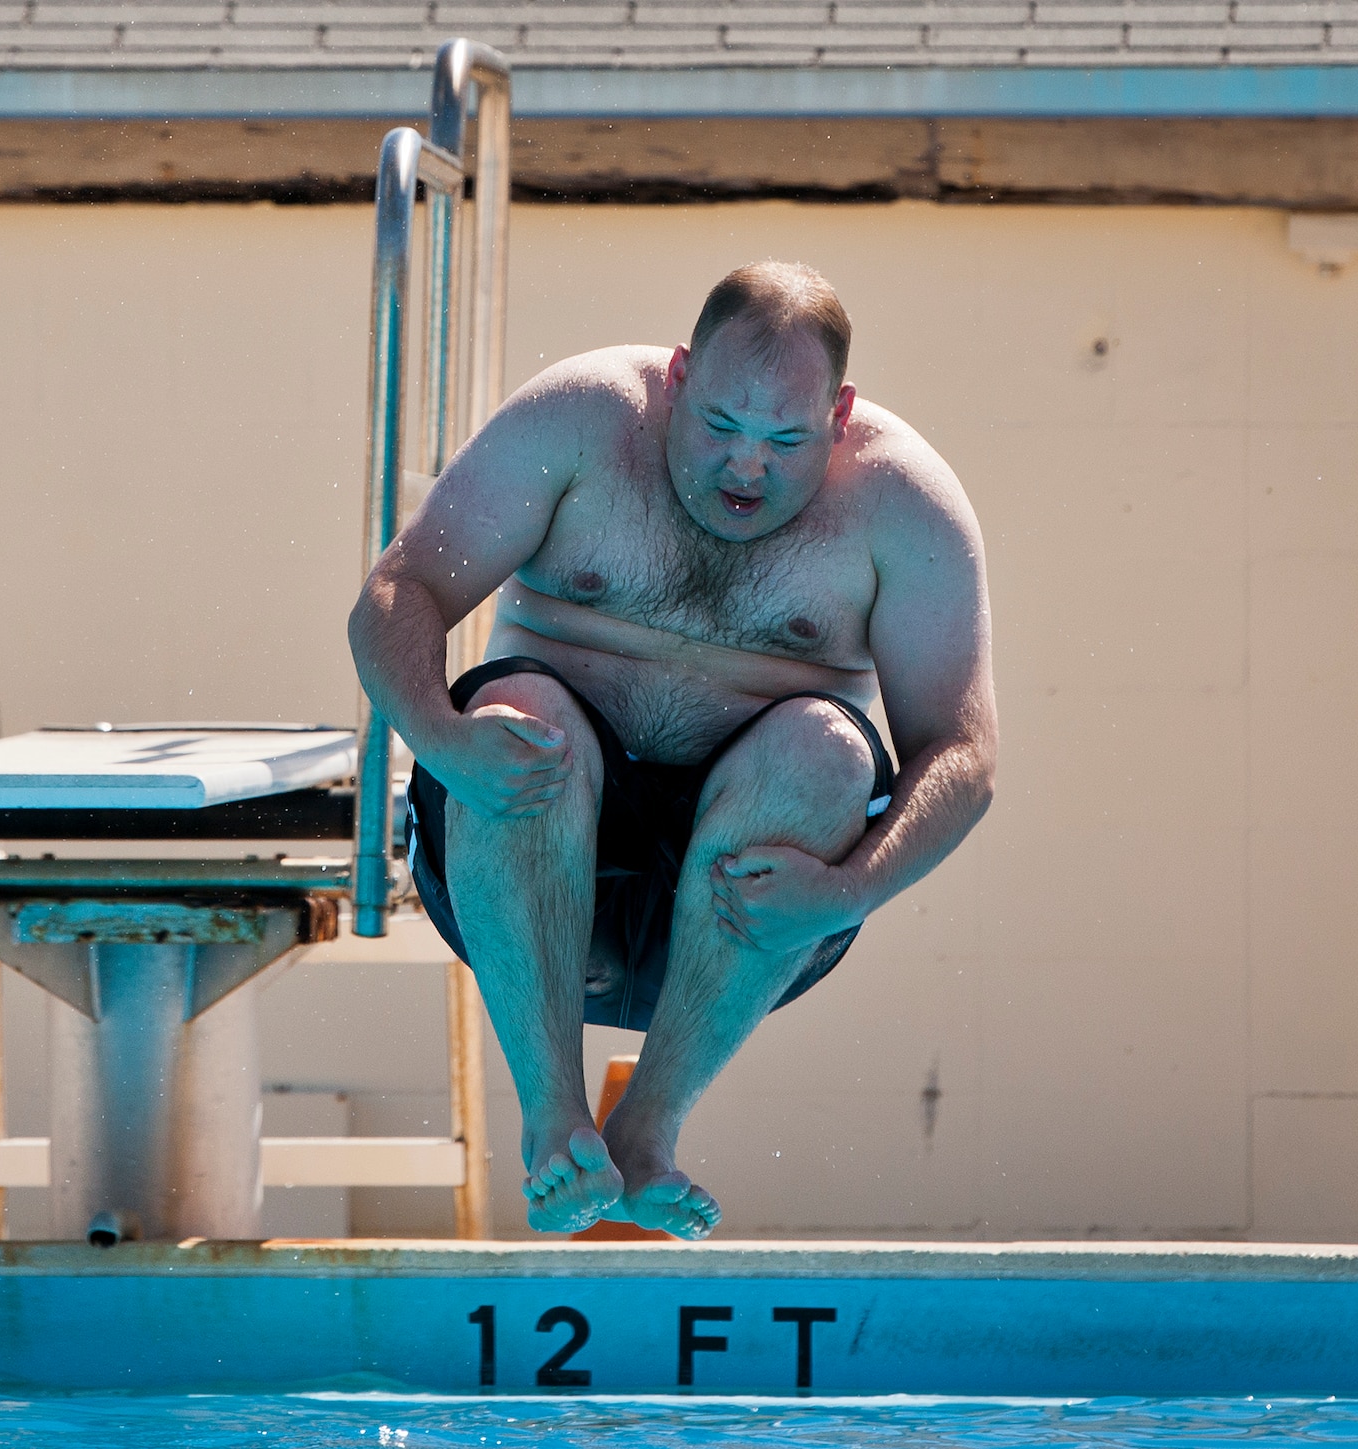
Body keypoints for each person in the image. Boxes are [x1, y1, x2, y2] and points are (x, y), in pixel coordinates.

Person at [348, 261, 996, 1238]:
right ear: (678, 376)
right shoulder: (580, 420)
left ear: (839, 411)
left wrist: (853, 889)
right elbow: (400, 591)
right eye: (721, 428)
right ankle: (554, 1127)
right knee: (527, 713)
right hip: (520, 865)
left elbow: (962, 751)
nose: (745, 468)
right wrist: (441, 739)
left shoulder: (903, 506)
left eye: (784, 441)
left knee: (824, 750)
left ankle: (647, 1132)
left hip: (749, 910)